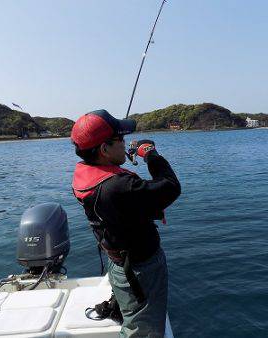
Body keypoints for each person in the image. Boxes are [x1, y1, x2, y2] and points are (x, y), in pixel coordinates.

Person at [71, 109, 181, 337]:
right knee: (144, 331)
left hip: (119, 262)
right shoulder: (119, 187)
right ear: (104, 149)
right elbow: (170, 186)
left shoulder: (86, 174)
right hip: (141, 271)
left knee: (134, 317)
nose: (124, 143)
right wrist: (150, 153)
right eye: (120, 140)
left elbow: (129, 201)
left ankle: (125, 310)